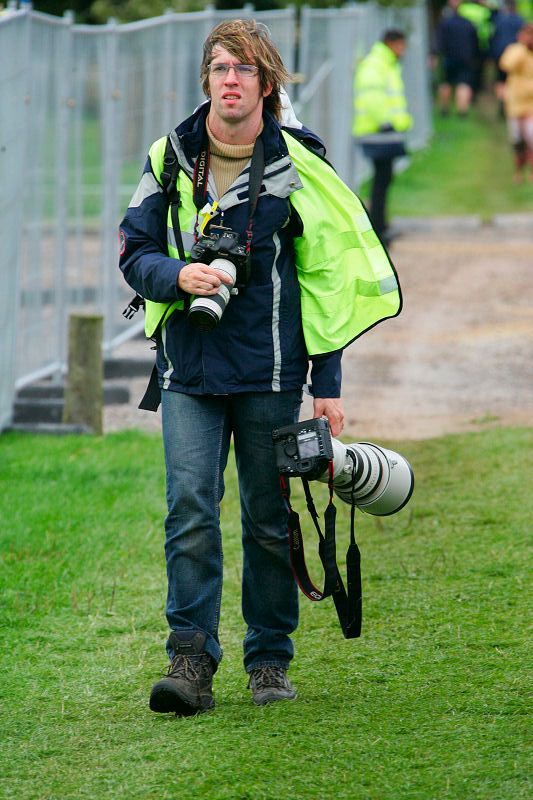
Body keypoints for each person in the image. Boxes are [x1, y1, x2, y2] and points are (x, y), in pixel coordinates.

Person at [119, 18, 401, 716]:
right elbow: (133, 250)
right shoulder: (170, 155)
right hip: (188, 369)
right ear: (206, 79)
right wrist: (176, 276)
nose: (230, 80)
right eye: (219, 68)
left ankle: (269, 659)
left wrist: (326, 385)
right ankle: (190, 661)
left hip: (273, 372)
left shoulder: (296, 165)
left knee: (270, 519)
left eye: (244, 69)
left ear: (267, 84)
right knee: (189, 512)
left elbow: (324, 280)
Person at [352, 29, 413, 245]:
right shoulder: (376, 64)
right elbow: (372, 98)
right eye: (400, 46)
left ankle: (381, 225)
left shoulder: (383, 63)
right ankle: (378, 229)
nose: (402, 51)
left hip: (382, 133)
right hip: (378, 133)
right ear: (391, 43)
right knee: (381, 181)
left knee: (383, 180)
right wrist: (388, 123)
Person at [499, 22, 533, 181]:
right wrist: (522, 48)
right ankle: (518, 170)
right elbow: (506, 64)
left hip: (531, 103)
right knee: (517, 139)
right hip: (516, 101)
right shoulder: (515, 50)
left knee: (531, 137)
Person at [436, 0, 479, 116]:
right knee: (464, 84)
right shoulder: (469, 24)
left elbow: (439, 41)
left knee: (446, 83)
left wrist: (435, 54)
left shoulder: (445, 23)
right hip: (466, 58)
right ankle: (462, 111)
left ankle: (444, 109)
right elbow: (475, 43)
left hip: (448, 57)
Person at [490, 0, 525, 114]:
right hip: (516, 55)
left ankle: (502, 103)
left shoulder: (499, 20)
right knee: (513, 79)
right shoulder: (520, 21)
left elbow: (493, 37)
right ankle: (511, 103)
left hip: (499, 54)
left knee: (500, 80)